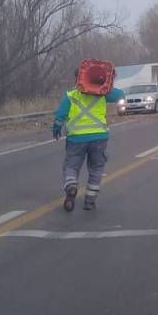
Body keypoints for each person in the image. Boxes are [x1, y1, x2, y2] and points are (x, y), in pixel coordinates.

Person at [52, 71, 125, 211]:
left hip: (76, 138)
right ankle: (90, 201)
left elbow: (60, 116)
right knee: (96, 169)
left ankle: (71, 185)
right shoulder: (102, 92)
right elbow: (120, 94)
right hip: (99, 137)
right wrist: (107, 84)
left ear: (77, 78)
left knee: (71, 166)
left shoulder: (71, 95)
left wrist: (56, 130)